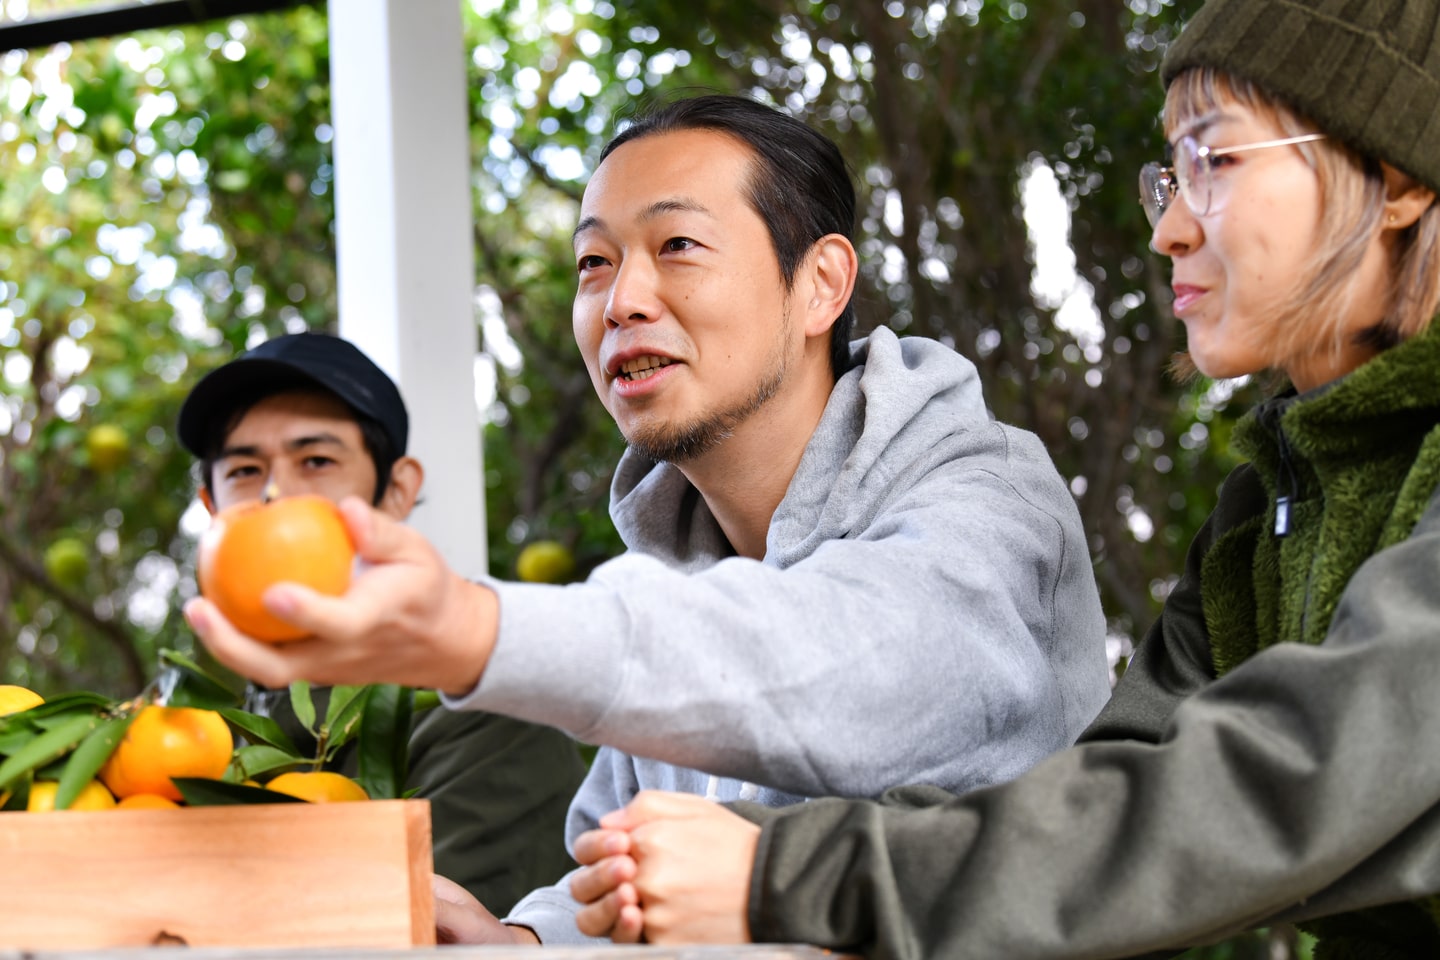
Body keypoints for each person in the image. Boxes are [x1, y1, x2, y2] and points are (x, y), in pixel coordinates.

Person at [563, 1, 1440, 957]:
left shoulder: (977, 499)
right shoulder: (1267, 504)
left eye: (1216, 161)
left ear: (1397, 179)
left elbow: (1271, 784)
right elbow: (1098, 809)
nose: (1170, 230)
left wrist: (782, 873)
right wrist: (543, 934)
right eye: (1171, 177)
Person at [185, 96, 1111, 944]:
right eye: (594, 262)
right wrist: (525, 941)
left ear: (821, 284)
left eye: (677, 246)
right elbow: (616, 876)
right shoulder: (677, 562)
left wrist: (471, 628)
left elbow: (853, 665)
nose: (621, 300)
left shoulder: (981, 496)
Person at [176, 332, 589, 915]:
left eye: (316, 461)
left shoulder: (487, 715)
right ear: (212, 508)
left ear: (396, 491)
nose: (276, 494)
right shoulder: (192, 739)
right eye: (245, 469)